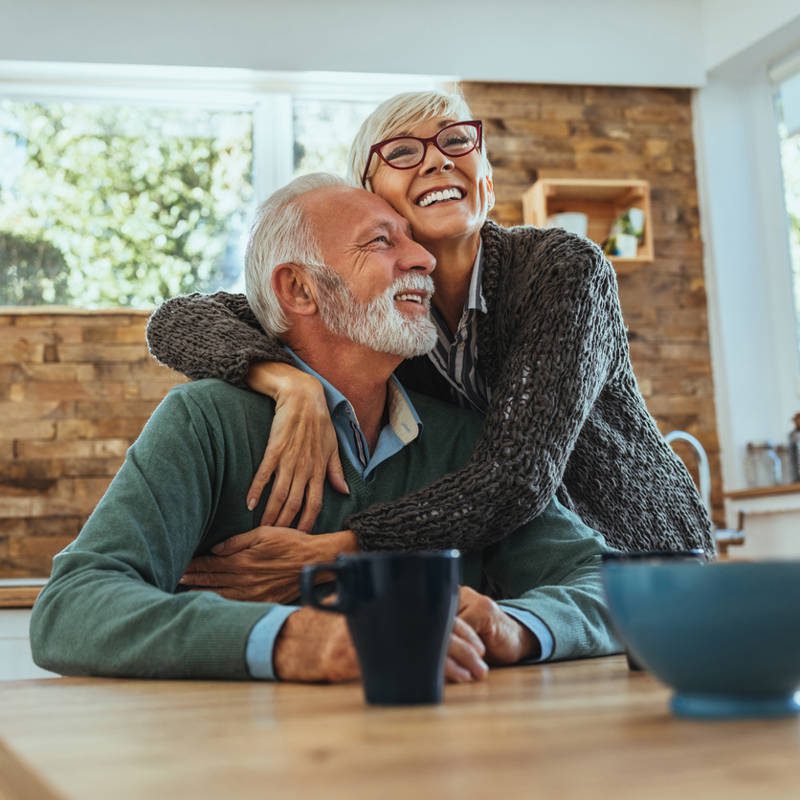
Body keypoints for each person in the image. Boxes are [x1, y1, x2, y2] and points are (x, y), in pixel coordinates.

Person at [29, 175, 619, 682]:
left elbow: (608, 585)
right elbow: (72, 607)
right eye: (382, 242)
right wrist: (298, 640)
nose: (423, 259)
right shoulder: (205, 421)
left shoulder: (464, 441)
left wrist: (514, 624)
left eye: (412, 240)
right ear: (299, 289)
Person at [146, 90, 713, 602]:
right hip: (511, 582)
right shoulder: (377, 314)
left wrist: (336, 550)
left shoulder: (562, 270)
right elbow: (180, 319)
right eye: (402, 152)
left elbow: (516, 477)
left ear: (486, 181)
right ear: (371, 199)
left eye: (456, 141)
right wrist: (286, 380)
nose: (438, 159)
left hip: (637, 558)